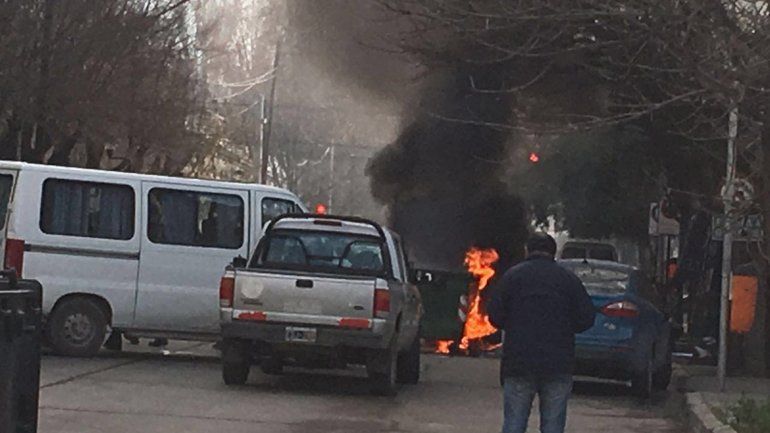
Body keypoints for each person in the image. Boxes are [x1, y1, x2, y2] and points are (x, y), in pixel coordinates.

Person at [488, 233, 596, 433]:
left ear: (527, 250)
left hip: (518, 362)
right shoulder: (568, 280)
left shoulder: (512, 277)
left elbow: (494, 315)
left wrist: (513, 325)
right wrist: (565, 329)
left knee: (514, 423)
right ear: (553, 252)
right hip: (558, 363)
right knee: (553, 426)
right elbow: (587, 317)